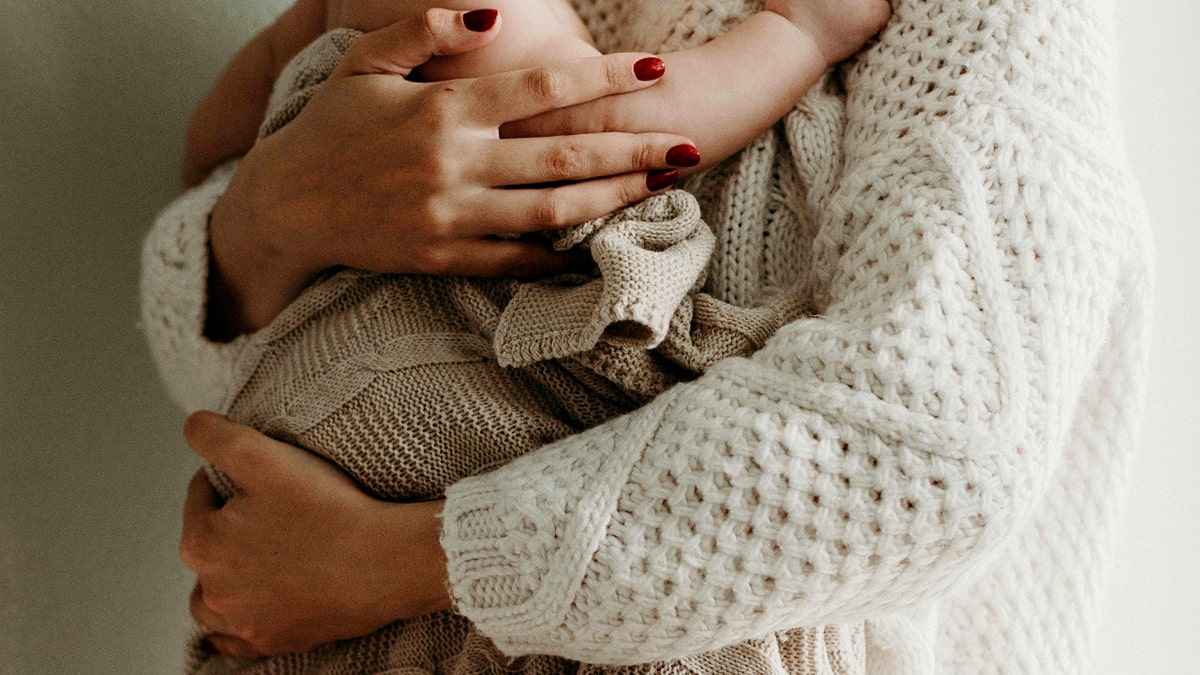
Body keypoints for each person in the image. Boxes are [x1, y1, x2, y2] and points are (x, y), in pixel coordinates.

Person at [143, 0, 1153, 673]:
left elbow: (937, 447)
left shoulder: (987, 27)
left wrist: (393, 561)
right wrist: (270, 213)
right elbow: (236, 367)